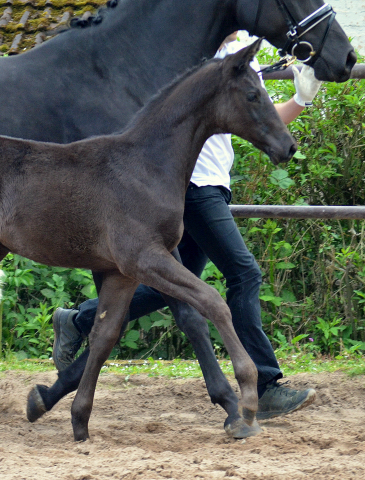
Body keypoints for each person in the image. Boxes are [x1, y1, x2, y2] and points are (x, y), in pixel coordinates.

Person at [52, 33, 323, 420]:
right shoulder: (182, 44)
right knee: (243, 273)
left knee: (174, 284)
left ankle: (78, 319)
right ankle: (264, 386)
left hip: (215, 181)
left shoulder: (238, 52)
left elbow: (263, 118)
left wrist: (302, 99)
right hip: (186, 185)